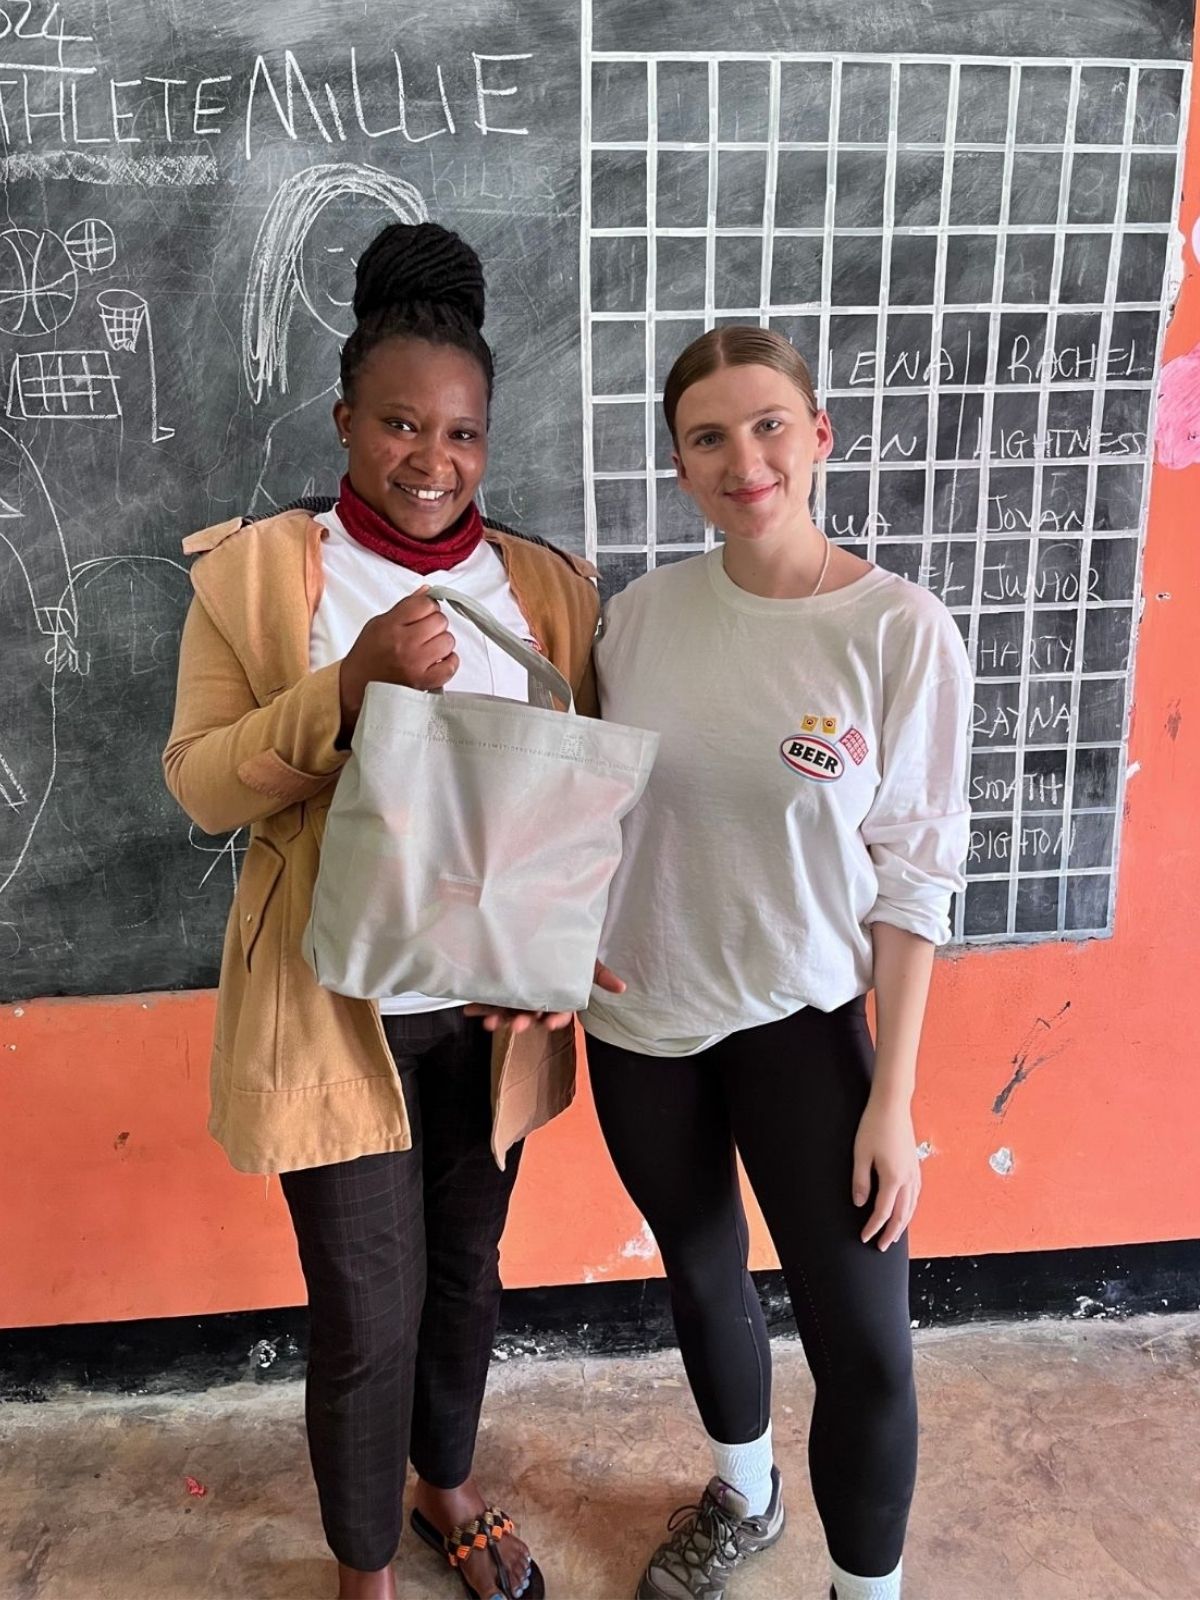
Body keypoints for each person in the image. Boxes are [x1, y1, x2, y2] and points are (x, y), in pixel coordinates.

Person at [474, 324, 972, 1600]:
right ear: (680, 466)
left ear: (820, 436)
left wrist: (895, 1097)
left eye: (768, 425)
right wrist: (553, 943)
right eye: (708, 437)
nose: (744, 458)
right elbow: (582, 807)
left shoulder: (899, 631)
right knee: (702, 1271)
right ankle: (743, 1492)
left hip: (803, 1029)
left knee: (868, 1352)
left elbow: (916, 883)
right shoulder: (639, 620)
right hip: (646, 1025)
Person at [164, 221, 599, 1600]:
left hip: (491, 1011)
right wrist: (345, 686)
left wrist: (560, 961)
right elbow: (200, 785)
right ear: (345, 419)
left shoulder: (545, 591)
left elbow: (581, 805)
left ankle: (445, 1484)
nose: (431, 460)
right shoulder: (260, 575)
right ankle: (364, 1567)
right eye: (401, 424)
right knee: (366, 1312)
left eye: (461, 434)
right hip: (335, 1004)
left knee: (468, 1275)